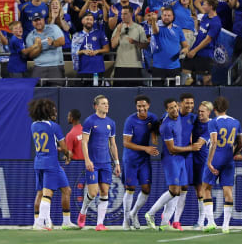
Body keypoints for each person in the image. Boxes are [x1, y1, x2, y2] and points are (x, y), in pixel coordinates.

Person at [144, 98, 202, 231]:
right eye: (171, 108)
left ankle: (164, 223)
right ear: (166, 110)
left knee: (178, 192)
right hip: (171, 159)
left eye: (175, 106)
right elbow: (172, 149)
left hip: (181, 159)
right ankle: (151, 213)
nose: (174, 109)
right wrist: (191, 148)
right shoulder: (167, 125)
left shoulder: (180, 119)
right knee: (174, 191)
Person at [28, 98, 77, 230]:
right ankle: (40, 224)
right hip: (50, 164)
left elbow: (50, 145)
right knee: (47, 194)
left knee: (66, 190)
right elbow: (64, 146)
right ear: (47, 112)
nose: (55, 112)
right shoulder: (54, 126)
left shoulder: (33, 126)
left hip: (39, 162)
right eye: (53, 110)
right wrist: (67, 154)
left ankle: (65, 222)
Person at [77, 95, 120, 231]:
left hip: (106, 162)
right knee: (93, 192)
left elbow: (113, 144)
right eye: (103, 103)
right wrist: (87, 160)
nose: (106, 105)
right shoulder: (89, 121)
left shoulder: (111, 123)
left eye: (107, 103)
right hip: (93, 163)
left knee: (104, 192)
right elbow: (84, 142)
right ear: (96, 106)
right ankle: (83, 211)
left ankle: (100, 224)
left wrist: (117, 163)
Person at [202, 96, 242, 234]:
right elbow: (241, 143)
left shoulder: (213, 122)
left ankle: (211, 222)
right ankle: (226, 226)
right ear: (226, 108)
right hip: (228, 159)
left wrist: (209, 162)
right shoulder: (236, 122)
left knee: (206, 188)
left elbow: (213, 142)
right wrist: (232, 154)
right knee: (228, 192)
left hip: (215, 157)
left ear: (214, 109)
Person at [122, 95, 159, 230]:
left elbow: (155, 140)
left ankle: (134, 213)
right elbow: (126, 143)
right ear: (136, 106)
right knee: (130, 188)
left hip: (144, 159)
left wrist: (153, 132)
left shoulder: (153, 118)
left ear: (148, 105)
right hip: (131, 158)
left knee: (146, 189)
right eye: (139, 106)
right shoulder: (130, 120)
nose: (141, 108)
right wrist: (146, 148)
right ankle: (126, 221)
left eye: (144, 106)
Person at [169, 93, 197, 230]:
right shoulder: (172, 116)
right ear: (180, 104)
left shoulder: (193, 118)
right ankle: (166, 216)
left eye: (192, 103)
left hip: (188, 155)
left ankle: (176, 220)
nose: (190, 106)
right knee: (175, 188)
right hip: (174, 156)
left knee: (184, 187)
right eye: (187, 103)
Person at [148, 6, 189, 82]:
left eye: (169, 15)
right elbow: (155, 31)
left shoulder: (178, 29)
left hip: (175, 67)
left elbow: (186, 45)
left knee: (175, 92)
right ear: (161, 16)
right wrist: (154, 20)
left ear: (173, 17)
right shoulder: (156, 26)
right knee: (157, 92)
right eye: (164, 15)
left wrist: (185, 49)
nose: (166, 17)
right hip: (158, 67)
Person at [191, 100, 214, 230]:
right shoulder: (195, 121)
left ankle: (202, 221)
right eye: (199, 111)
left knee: (203, 190)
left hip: (204, 160)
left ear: (208, 112)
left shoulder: (211, 125)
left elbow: (198, 145)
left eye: (202, 111)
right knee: (197, 190)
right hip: (192, 159)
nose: (199, 113)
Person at [24, 13, 65, 80]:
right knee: (35, 88)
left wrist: (53, 43)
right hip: (39, 66)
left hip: (56, 65)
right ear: (32, 23)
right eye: (35, 21)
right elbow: (31, 55)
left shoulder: (54, 28)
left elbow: (62, 41)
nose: (38, 22)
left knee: (58, 89)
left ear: (43, 20)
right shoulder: (30, 36)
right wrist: (38, 47)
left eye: (39, 20)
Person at [110, 6, 148, 79]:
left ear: (131, 14)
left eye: (125, 14)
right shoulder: (118, 27)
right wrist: (118, 31)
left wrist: (135, 42)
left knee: (135, 89)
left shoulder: (139, 28)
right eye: (121, 14)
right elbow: (113, 45)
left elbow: (145, 46)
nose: (122, 16)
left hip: (135, 65)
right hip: (120, 65)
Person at [72, 13, 109, 80]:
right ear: (82, 21)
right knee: (81, 90)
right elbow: (74, 52)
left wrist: (97, 51)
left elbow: (107, 49)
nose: (89, 21)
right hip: (82, 69)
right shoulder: (76, 35)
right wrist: (83, 51)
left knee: (97, 90)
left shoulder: (100, 33)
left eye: (91, 20)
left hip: (97, 69)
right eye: (87, 19)